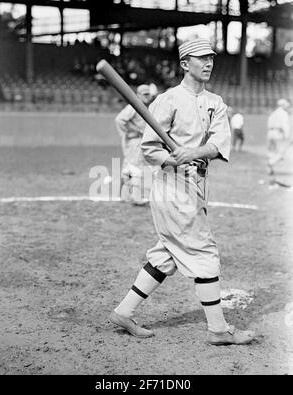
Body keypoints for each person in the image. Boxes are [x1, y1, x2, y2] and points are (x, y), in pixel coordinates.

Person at [109, 38, 256, 346]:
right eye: (200, 58)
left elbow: (219, 144)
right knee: (204, 251)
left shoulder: (216, 102)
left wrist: (193, 153)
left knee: (167, 255)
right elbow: (149, 147)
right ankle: (218, 329)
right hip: (171, 186)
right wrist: (171, 158)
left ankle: (124, 312)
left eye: (211, 58)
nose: (208, 63)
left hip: (196, 184)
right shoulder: (168, 100)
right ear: (184, 64)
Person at [115, 84, 154, 205]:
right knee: (137, 167)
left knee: (128, 168)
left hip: (133, 140)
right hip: (135, 140)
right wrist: (128, 132)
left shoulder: (141, 106)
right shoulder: (135, 106)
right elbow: (119, 120)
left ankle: (124, 195)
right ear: (138, 95)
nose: (147, 97)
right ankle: (137, 198)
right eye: (145, 94)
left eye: (148, 94)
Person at [267, 98, 291, 177]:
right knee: (281, 153)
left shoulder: (274, 113)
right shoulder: (284, 113)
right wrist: (287, 136)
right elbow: (284, 125)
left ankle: (271, 168)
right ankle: (271, 163)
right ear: (283, 105)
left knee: (272, 151)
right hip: (278, 133)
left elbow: (269, 123)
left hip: (270, 132)